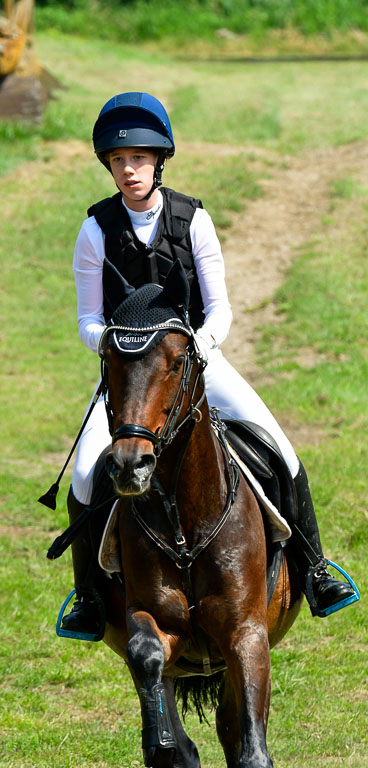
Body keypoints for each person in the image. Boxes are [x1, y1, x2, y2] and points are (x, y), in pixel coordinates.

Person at [62, 91, 356, 635]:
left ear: (159, 161)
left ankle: (315, 568)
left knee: (282, 451)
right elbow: (86, 320)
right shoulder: (94, 231)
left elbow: (220, 308)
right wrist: (120, 343)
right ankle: (87, 599)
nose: (129, 170)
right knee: (83, 474)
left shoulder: (193, 219)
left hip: (198, 363)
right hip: (132, 375)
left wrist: (194, 346)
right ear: (108, 164)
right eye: (119, 161)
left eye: (140, 159)